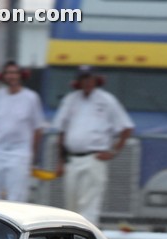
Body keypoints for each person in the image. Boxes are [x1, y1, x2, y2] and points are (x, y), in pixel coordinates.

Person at [52, 65, 134, 226]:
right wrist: (61, 161)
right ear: (78, 81)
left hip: (94, 158)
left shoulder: (107, 100)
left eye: (90, 78)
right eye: (84, 79)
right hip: (72, 159)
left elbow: (126, 127)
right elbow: (61, 131)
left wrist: (113, 152)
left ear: (96, 80)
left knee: (89, 205)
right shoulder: (70, 100)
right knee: (71, 205)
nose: (87, 82)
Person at [0, 61, 46, 203]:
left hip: (20, 152)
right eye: (8, 73)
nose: (11, 76)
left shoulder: (31, 97)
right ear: (3, 76)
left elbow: (38, 129)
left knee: (16, 195)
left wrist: (33, 156)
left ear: (20, 76)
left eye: (14, 73)